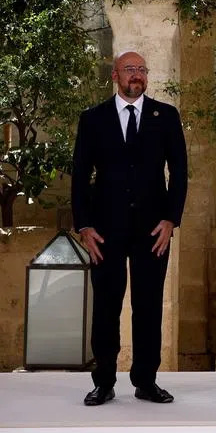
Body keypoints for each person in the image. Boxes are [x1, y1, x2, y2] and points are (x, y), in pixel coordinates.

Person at [71, 50, 188, 406]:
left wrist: (171, 220)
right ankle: (104, 380)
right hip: (105, 230)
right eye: (129, 70)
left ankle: (146, 380)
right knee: (106, 305)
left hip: (153, 230)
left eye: (141, 70)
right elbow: (79, 177)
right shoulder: (92, 119)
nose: (135, 75)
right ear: (115, 76)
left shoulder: (165, 116)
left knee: (149, 305)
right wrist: (84, 226)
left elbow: (180, 173)